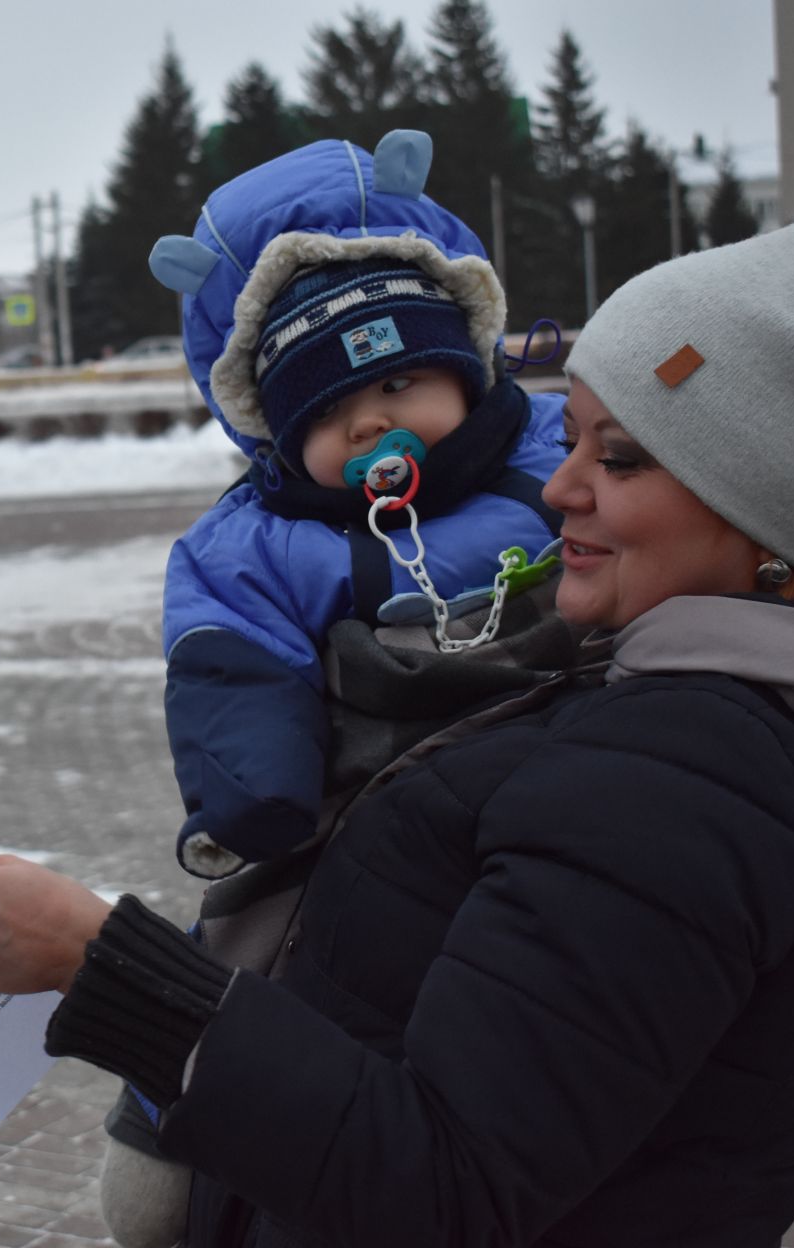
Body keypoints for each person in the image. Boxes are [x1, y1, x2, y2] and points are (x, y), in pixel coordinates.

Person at [0, 215, 794, 1248]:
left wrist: (96, 963)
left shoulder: (695, 777)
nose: (559, 489)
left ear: (776, 498)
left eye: (622, 457)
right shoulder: (685, 697)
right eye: (574, 438)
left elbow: (437, 1189)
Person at [148, 129, 564, 879]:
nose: (369, 424)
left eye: (399, 385)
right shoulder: (259, 544)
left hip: (585, 741)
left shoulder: (556, 445)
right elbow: (234, 666)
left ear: (467, 372)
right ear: (279, 435)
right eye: (327, 411)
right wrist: (254, 791)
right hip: (402, 812)